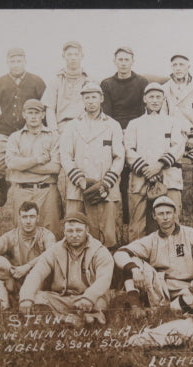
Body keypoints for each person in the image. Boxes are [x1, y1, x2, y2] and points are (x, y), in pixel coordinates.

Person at [113, 196, 193, 312]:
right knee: (132, 261)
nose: (165, 218)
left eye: (168, 213)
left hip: (185, 286)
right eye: (161, 214)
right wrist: (134, 270)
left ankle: (161, 312)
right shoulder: (152, 239)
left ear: (175, 214)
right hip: (158, 286)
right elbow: (120, 253)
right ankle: (135, 306)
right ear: (154, 216)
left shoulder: (191, 234)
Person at [60, 81, 124, 250]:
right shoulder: (72, 126)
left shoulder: (112, 125)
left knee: (107, 235)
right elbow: (65, 156)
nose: (90, 101)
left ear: (101, 98)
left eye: (94, 97)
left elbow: (119, 157)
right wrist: (80, 181)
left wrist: (105, 183)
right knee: (76, 233)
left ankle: (108, 272)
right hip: (78, 189)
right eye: (87, 97)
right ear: (82, 100)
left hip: (105, 189)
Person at [19, 212, 114, 325]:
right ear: (64, 232)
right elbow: (36, 274)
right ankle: (74, 319)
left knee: (99, 302)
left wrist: (89, 297)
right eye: (70, 231)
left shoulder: (99, 250)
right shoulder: (55, 250)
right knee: (37, 298)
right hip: (61, 298)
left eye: (79, 230)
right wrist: (26, 297)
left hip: (88, 297)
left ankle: (66, 318)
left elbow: (104, 279)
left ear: (87, 230)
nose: (74, 235)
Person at [0, 48, 46, 207]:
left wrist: (46, 132)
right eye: (12, 61)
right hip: (5, 130)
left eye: (19, 61)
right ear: (7, 63)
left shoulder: (36, 81)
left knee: (31, 166)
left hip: (29, 131)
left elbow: (46, 107)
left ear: (25, 61)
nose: (16, 65)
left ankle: (31, 201)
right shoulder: (0, 82)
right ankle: (4, 186)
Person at [124, 82, 185, 241]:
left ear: (164, 99)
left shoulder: (173, 122)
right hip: (141, 177)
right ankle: (136, 257)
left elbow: (178, 146)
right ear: (145, 99)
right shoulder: (134, 124)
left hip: (168, 176)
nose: (155, 100)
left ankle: (174, 256)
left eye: (158, 97)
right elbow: (129, 149)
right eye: (151, 96)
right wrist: (146, 170)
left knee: (171, 217)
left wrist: (158, 166)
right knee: (137, 221)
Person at [100, 47, 149, 225]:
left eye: (126, 60)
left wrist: (132, 132)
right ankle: (122, 212)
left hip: (137, 130)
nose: (123, 63)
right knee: (118, 170)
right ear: (115, 62)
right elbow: (106, 113)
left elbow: (144, 111)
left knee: (136, 171)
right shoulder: (106, 84)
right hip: (115, 130)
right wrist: (118, 132)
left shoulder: (142, 82)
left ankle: (138, 210)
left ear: (132, 61)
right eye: (120, 60)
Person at [0, 201, 56, 310]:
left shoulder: (46, 235)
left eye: (32, 217)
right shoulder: (11, 236)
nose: (28, 221)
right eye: (24, 217)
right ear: (19, 219)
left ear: (38, 218)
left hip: (38, 280)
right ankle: (5, 307)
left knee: (40, 276)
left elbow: (52, 253)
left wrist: (27, 266)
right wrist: (10, 268)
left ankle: (30, 302)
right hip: (16, 277)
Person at [5, 99, 62, 236]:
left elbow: (55, 168)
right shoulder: (15, 137)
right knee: (23, 231)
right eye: (29, 113)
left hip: (47, 190)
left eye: (37, 113)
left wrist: (23, 166)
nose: (33, 116)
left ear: (43, 115)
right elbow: (11, 163)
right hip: (22, 190)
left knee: (50, 232)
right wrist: (38, 160)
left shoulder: (53, 137)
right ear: (24, 114)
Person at [162, 54, 193, 202]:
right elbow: (163, 117)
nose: (178, 68)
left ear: (188, 67)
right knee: (167, 164)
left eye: (181, 65)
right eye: (175, 65)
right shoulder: (164, 89)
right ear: (171, 68)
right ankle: (168, 194)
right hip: (172, 137)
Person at [42, 41, 89, 133]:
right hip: (62, 127)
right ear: (64, 56)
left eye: (76, 54)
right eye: (69, 54)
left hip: (85, 126)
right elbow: (50, 108)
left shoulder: (90, 80)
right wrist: (54, 130)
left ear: (82, 56)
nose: (73, 58)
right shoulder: (55, 81)